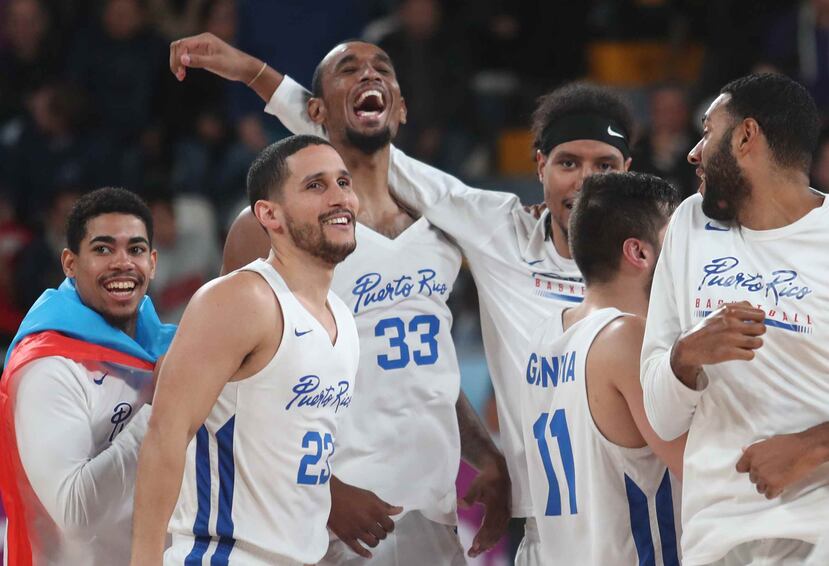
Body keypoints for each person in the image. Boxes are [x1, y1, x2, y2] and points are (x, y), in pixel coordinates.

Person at [237, 47, 637, 561]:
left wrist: (484, 455)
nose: (585, 180)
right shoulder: (500, 233)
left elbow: (433, 376)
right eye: (568, 163)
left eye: (604, 165)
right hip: (524, 527)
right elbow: (366, 142)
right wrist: (255, 74)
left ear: (629, 170)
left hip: (626, 511)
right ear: (540, 167)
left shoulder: (659, 260)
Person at [169, 34, 510, 564]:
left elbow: (426, 371)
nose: (369, 75)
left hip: (433, 515)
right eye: (349, 70)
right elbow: (230, 394)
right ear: (315, 110)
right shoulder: (269, 228)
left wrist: (483, 453)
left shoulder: (442, 230)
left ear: (401, 107)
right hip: (323, 523)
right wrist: (325, 491)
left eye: (382, 69)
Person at [130, 135, 362, 565]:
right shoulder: (242, 299)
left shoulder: (343, 319)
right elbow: (165, 434)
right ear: (268, 214)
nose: (339, 197)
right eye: (316, 185)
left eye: (344, 183)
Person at [640, 72, 829, 565]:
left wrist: (812, 446)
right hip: (714, 538)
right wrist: (685, 357)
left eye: (707, 132)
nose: (693, 152)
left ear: (746, 136)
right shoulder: (689, 226)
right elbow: (660, 414)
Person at [0, 187, 176, 566]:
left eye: (136, 249)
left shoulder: (163, 347)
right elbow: (76, 515)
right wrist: (164, 411)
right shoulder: (49, 367)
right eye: (102, 249)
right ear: (69, 263)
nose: (122, 263)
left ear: (153, 262)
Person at [522, 171, 684, 565]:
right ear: (639, 253)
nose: (688, 252)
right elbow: (699, 468)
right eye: (677, 239)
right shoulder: (625, 337)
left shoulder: (544, 336)